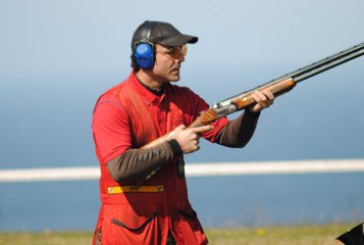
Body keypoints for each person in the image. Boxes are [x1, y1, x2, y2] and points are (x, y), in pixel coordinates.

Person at [91, 20, 274, 245]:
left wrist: (251, 113)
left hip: (178, 230)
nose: (181, 58)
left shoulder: (185, 99)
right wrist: (175, 146)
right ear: (144, 54)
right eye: (173, 51)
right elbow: (120, 168)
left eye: (182, 50)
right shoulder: (113, 104)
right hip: (131, 235)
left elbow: (230, 137)